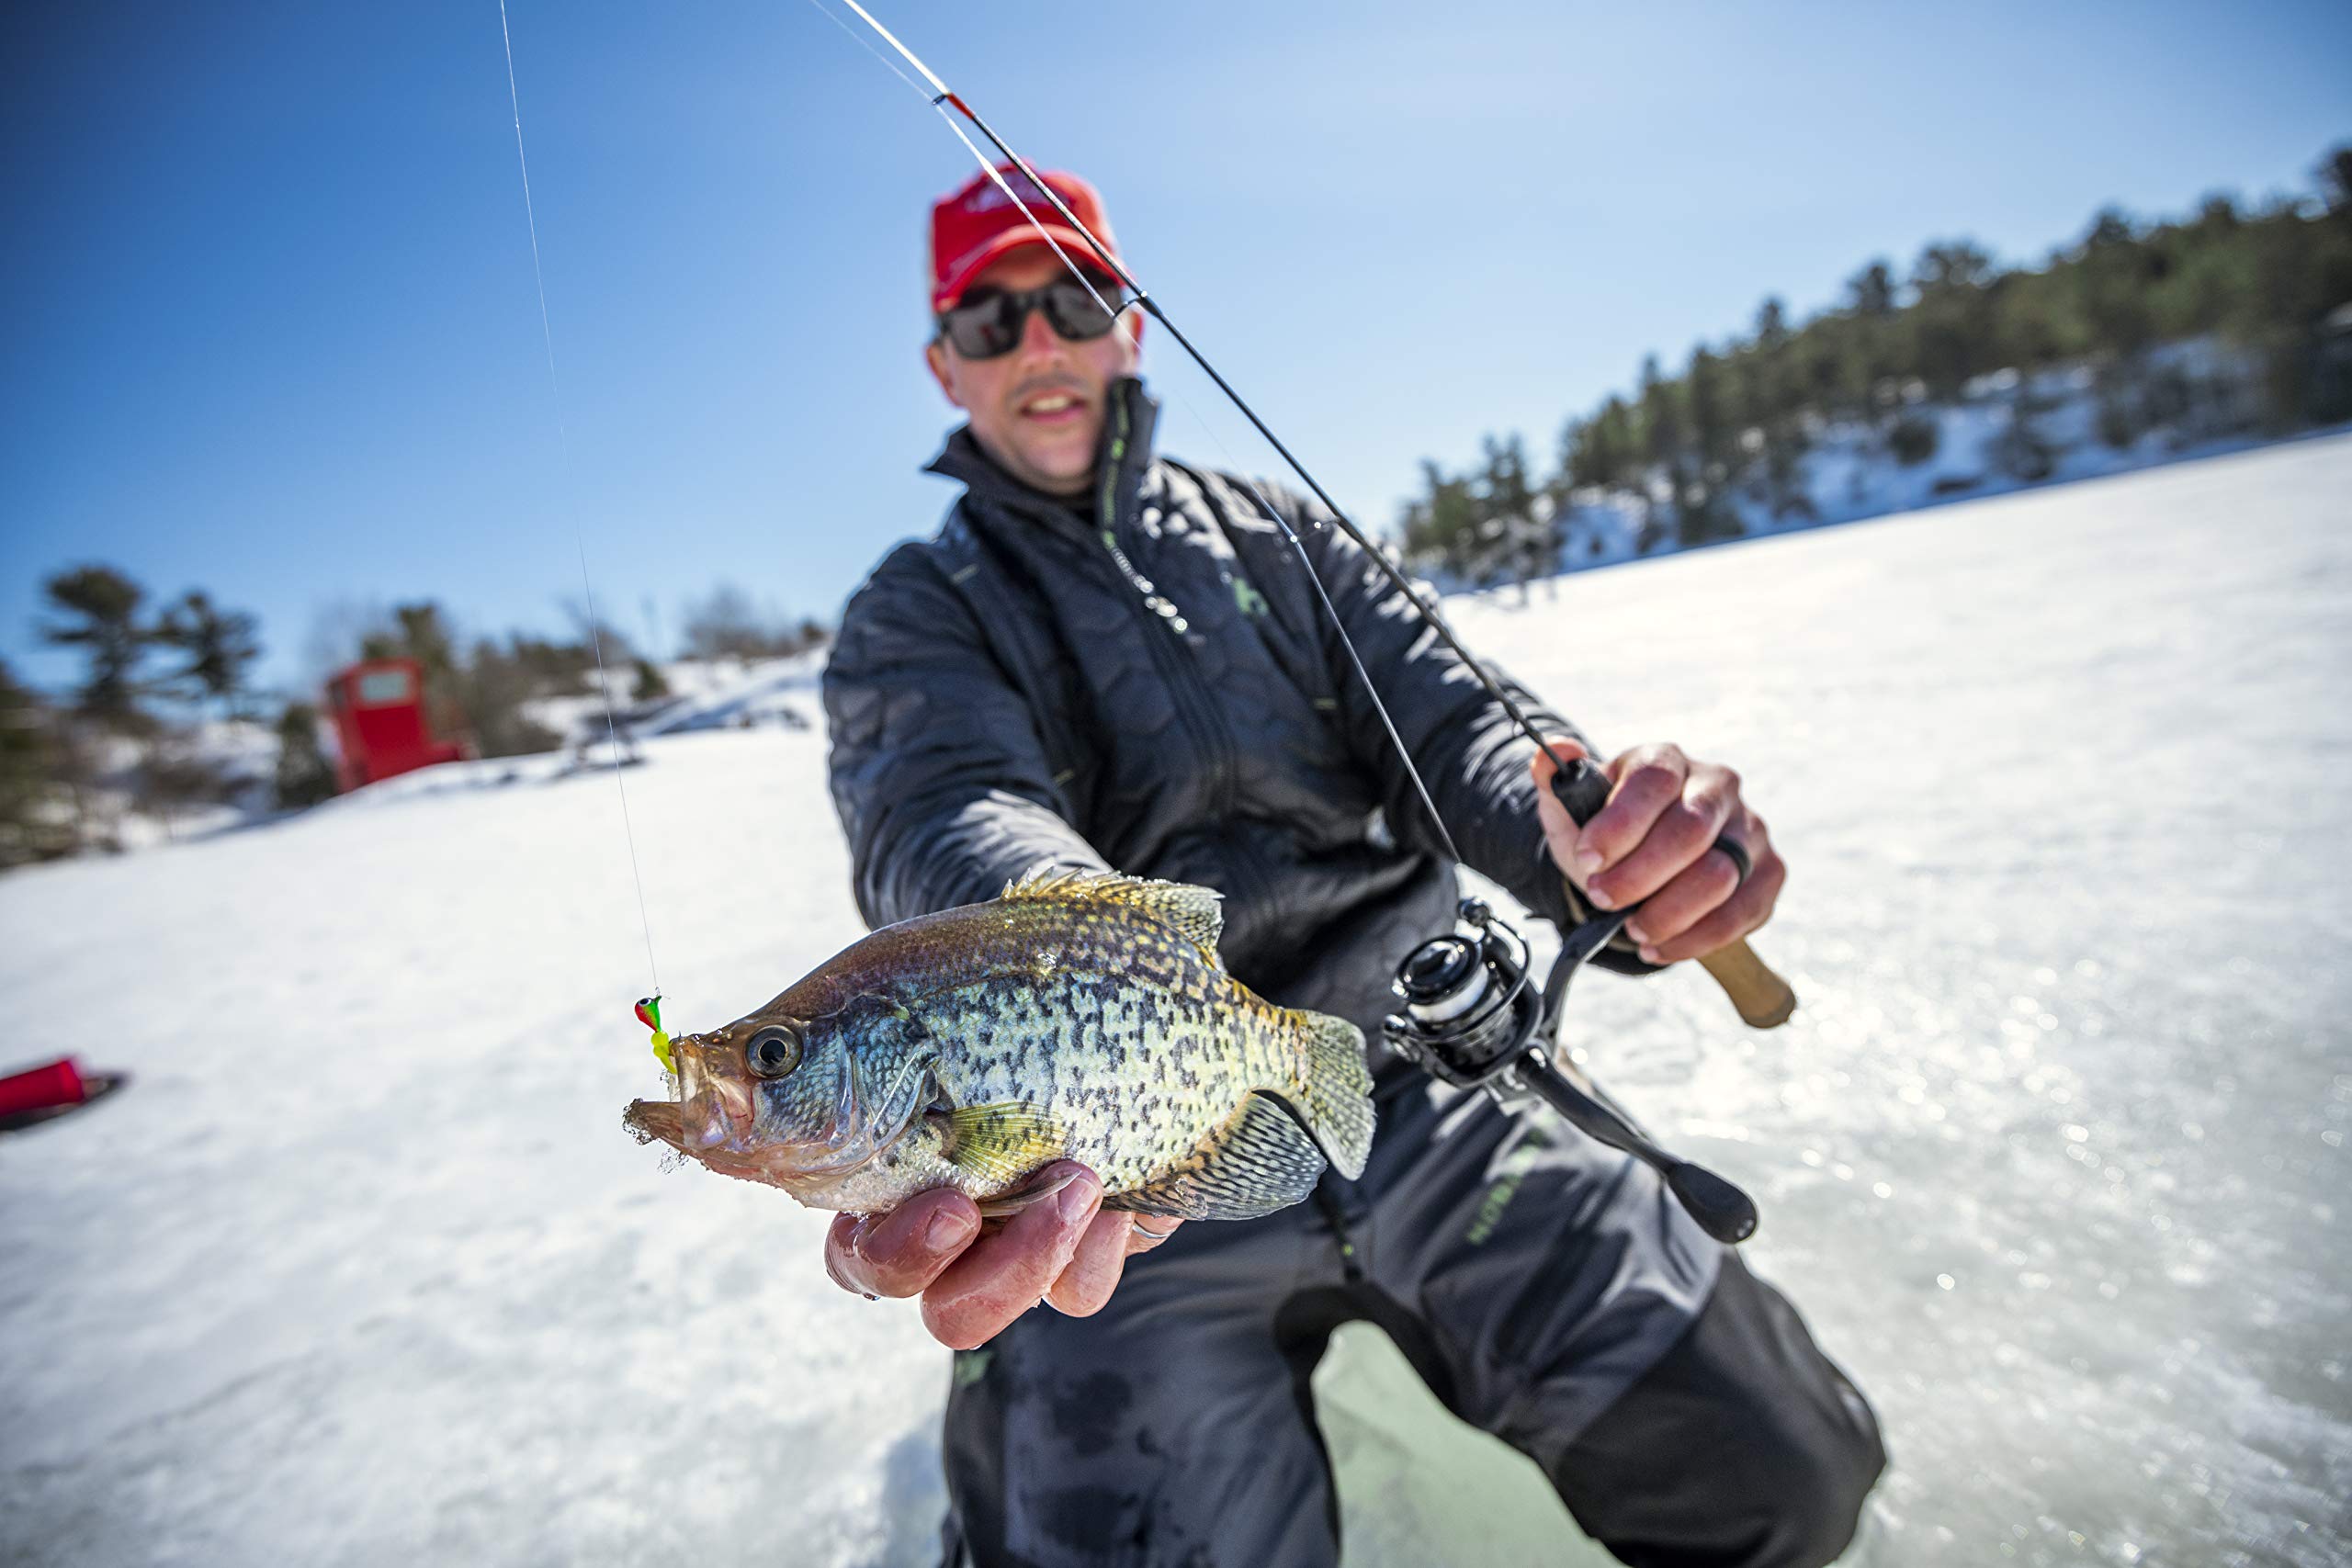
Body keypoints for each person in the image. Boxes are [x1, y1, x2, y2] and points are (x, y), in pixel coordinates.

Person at [819, 164, 1885, 1568]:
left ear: (1126, 323)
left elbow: (1457, 724)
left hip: (1430, 1086)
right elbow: (948, 810)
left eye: (1072, 300)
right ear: (942, 364)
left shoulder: (1282, 533)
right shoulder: (911, 616)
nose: (1040, 347)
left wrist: (1600, 842)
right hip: (1131, 1164)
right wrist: (1075, 958)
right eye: (990, 319)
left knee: (1780, 1471)